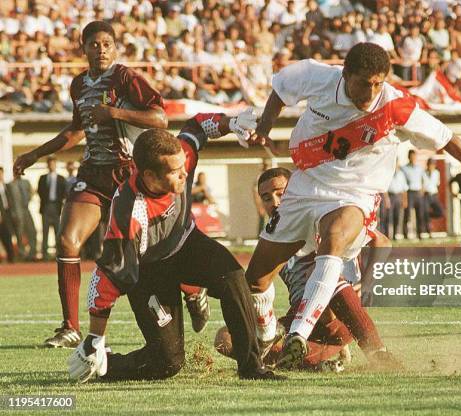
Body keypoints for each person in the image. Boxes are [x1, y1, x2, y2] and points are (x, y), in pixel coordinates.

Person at [244, 42, 461, 368]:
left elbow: (448, 138)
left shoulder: (396, 106)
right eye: (364, 82)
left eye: (378, 83)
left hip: (355, 193)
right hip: (304, 186)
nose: (371, 91)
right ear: (345, 75)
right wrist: (265, 125)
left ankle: (299, 332)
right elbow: (281, 89)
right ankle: (268, 334)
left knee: (335, 237)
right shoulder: (316, 77)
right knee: (255, 279)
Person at [68, 111, 283, 382]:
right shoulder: (128, 214)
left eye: (184, 166)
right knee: (168, 363)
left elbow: (197, 126)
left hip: (185, 242)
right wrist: (95, 338)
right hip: (149, 271)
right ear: (149, 176)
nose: (185, 174)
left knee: (233, 277)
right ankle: (106, 365)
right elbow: (107, 277)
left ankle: (251, 367)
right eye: (174, 172)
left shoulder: (181, 155)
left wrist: (231, 123)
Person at [12, 21, 168, 348]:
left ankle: (192, 293)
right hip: (93, 174)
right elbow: (76, 130)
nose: (101, 49)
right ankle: (70, 327)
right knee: (68, 241)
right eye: (94, 44)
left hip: (128, 175)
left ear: (115, 46)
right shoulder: (78, 84)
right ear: (83, 47)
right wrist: (35, 154)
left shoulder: (126, 78)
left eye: (107, 44)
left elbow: (159, 119)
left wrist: (113, 112)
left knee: (148, 251)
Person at [216, 167, 394, 371]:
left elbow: (382, 242)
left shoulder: (320, 219)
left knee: (324, 276)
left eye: (281, 194)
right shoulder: (273, 239)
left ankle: (377, 352)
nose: (274, 202)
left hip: (336, 314)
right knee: (225, 339)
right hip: (299, 319)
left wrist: (367, 282)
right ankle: (315, 360)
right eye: (266, 197)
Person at [37, 157, 67, 260]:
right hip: (46, 207)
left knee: (58, 232)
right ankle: (45, 255)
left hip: (57, 207)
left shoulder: (61, 179)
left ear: (55, 165)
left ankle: (59, 254)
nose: (51, 166)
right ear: (47, 165)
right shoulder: (43, 178)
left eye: (53, 164)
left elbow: (64, 193)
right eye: (50, 164)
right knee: (45, 232)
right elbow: (40, 192)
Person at [7, 173, 38, 261]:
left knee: (32, 231)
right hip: (17, 212)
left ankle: (32, 254)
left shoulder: (26, 182)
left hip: (26, 210)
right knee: (19, 234)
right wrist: (13, 213)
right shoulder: (10, 185)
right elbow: (9, 200)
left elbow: (31, 192)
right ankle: (22, 254)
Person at [401, 150, 426, 240]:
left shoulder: (420, 168)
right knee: (407, 214)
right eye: (412, 156)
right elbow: (402, 181)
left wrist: (422, 190)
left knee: (420, 214)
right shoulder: (404, 168)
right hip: (409, 193)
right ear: (409, 157)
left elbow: (423, 180)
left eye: (414, 156)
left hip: (418, 193)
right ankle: (405, 234)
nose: (413, 158)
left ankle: (420, 233)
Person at [423, 158, 444, 236]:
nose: (431, 166)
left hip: (434, 194)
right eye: (429, 164)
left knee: (441, 212)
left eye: (432, 165)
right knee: (425, 212)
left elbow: (437, 184)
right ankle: (429, 231)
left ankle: (428, 214)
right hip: (426, 195)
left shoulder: (436, 173)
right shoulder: (423, 173)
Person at [386, 164, 408, 240]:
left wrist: (404, 200)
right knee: (388, 217)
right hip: (390, 196)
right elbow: (385, 188)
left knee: (397, 217)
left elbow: (404, 188)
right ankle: (387, 235)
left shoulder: (401, 174)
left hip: (399, 196)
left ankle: (395, 235)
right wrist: (386, 199)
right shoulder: (388, 173)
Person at [0, 167, 15, 263]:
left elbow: (11, 200)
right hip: (0, 215)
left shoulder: (7, 186)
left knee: (8, 236)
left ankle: (11, 258)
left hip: (8, 215)